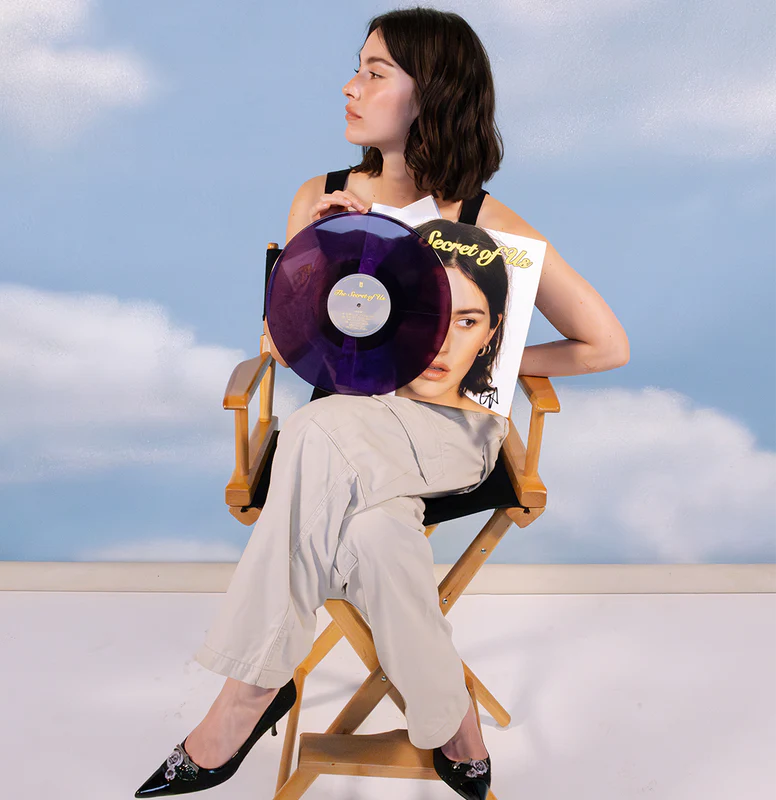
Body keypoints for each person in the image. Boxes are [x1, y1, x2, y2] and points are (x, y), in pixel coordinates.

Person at [134, 7, 629, 799]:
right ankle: (453, 720)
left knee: (312, 432)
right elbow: (281, 346)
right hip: (345, 433)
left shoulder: (482, 222)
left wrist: (484, 360)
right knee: (370, 530)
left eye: (375, 72)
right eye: (356, 67)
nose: (350, 86)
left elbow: (605, 345)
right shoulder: (323, 196)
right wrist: (315, 258)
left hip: (445, 432)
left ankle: (248, 695)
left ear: (431, 93)